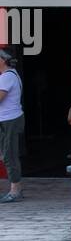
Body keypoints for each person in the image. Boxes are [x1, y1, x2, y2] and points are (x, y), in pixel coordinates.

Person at [0, 47, 25, 203]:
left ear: (2, 60)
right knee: (6, 153)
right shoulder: (8, 75)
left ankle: (15, 190)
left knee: (9, 154)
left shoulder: (7, 77)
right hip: (7, 119)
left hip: (10, 120)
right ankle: (16, 188)